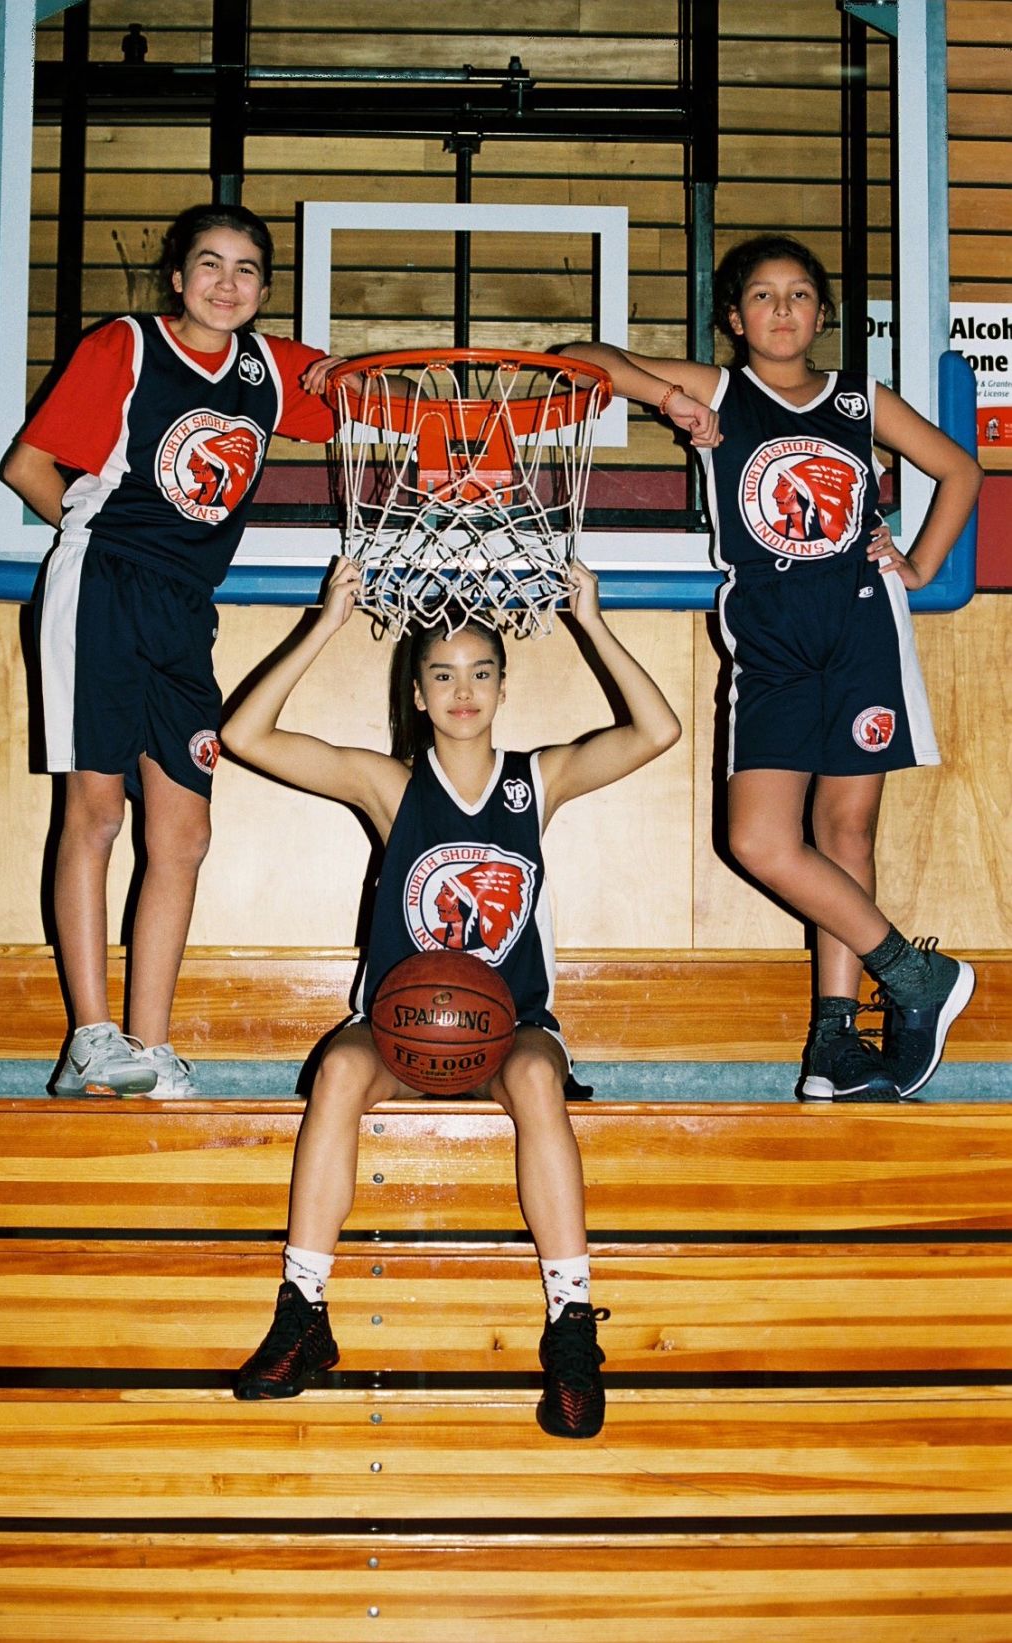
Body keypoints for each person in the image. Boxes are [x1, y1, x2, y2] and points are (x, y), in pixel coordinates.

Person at [221, 556, 683, 1438]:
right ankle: (304, 1312)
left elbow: (655, 730)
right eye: (443, 674)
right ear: (419, 694)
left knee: (543, 1082)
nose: (463, 689)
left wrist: (591, 619)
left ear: (504, 687)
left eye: (480, 673)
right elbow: (246, 734)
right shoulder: (394, 787)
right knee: (337, 1072)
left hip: (510, 1029)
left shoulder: (534, 780)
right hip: (398, 1030)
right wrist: (324, 621)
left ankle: (572, 1327)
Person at [562, 235, 984, 1102]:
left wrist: (922, 563)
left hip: (861, 623)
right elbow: (580, 361)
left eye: (800, 295)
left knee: (845, 835)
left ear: (823, 315)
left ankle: (835, 1040)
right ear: (733, 316)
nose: (782, 309)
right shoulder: (724, 391)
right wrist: (674, 399)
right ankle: (913, 974)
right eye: (763, 295)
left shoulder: (861, 400)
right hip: (772, 634)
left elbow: (958, 468)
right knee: (759, 837)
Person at [1, 203, 343, 1097]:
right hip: (103, 586)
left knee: (184, 833)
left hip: (187, 611)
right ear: (177, 278)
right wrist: (90, 530)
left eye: (246, 270)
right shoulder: (125, 345)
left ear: (265, 289)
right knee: (97, 814)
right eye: (209, 265)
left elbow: (361, 397)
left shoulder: (272, 368)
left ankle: (149, 1046)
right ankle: (91, 1037)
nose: (227, 284)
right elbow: (28, 466)